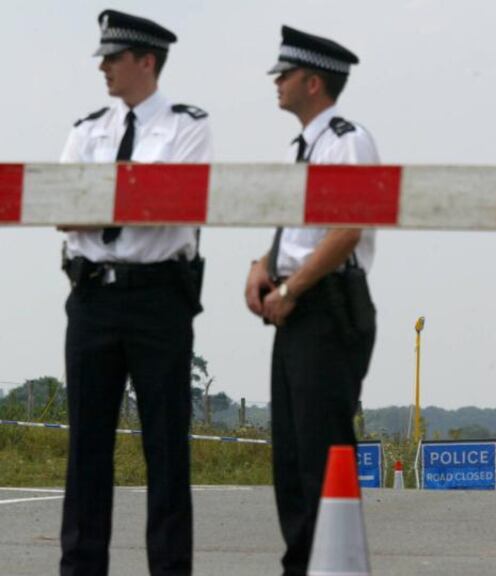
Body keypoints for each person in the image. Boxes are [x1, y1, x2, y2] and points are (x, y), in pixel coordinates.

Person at [58, 9, 211, 576]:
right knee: (86, 449)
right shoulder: (88, 127)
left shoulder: (187, 126)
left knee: (166, 448)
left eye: (114, 57)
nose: (103, 67)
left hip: (158, 299)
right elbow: (61, 207)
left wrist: (101, 202)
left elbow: (174, 204)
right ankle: (80, 568)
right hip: (93, 296)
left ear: (146, 61)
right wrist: (132, 199)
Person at [244, 25, 378, 575]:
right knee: (292, 455)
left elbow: (346, 229)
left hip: (326, 304)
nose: (277, 81)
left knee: (320, 450)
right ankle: (301, 565)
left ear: (315, 82)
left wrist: (293, 289)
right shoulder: (304, 147)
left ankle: (330, 565)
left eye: (286, 73)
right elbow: (299, 232)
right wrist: (262, 267)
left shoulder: (347, 140)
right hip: (296, 305)